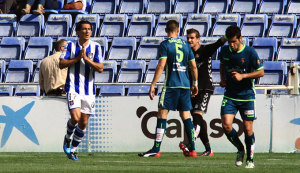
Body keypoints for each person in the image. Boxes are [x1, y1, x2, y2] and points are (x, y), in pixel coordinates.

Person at [138, 20, 198, 157]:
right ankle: (193, 149)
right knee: (186, 116)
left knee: (162, 113)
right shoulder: (186, 45)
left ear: (166, 31)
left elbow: (161, 65)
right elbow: (193, 67)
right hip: (185, 85)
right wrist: (195, 84)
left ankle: (156, 149)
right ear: (178, 30)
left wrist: (153, 84)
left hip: (171, 85)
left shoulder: (165, 44)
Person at [219, 25, 264, 168]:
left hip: (247, 96)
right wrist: (222, 78)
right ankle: (240, 149)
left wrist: (243, 76)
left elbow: (261, 72)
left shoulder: (250, 52)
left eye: (234, 42)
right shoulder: (225, 51)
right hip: (230, 95)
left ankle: (250, 159)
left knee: (248, 128)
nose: (232, 45)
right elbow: (222, 64)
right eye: (229, 42)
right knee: (226, 125)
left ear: (240, 38)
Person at [59, 20, 104, 161]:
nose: (87, 31)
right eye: (84, 29)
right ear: (78, 32)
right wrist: (77, 59)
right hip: (73, 87)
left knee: (83, 123)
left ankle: (72, 150)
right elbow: (61, 64)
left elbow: (100, 68)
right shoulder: (70, 45)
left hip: (89, 90)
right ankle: (67, 138)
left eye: (89, 29)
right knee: (76, 118)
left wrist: (86, 59)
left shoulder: (96, 47)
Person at [179, 28, 227, 157]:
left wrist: (227, 34)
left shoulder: (205, 50)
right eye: (188, 38)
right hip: (192, 90)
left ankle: (189, 142)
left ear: (198, 39)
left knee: (197, 114)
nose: (189, 40)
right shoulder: (186, 54)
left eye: (192, 38)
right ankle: (208, 150)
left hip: (205, 88)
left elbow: (219, 43)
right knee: (199, 119)